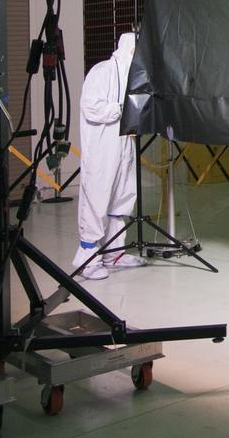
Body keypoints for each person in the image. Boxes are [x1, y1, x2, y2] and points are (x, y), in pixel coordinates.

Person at [73, 32, 146, 280]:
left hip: (124, 145)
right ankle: (88, 257)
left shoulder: (130, 78)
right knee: (97, 196)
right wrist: (120, 110)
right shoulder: (102, 71)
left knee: (122, 196)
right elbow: (90, 106)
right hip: (102, 148)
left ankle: (114, 252)